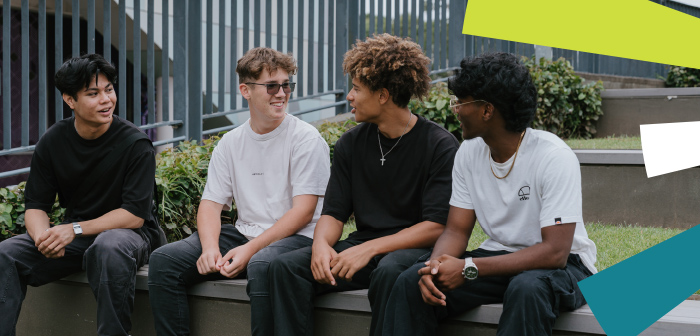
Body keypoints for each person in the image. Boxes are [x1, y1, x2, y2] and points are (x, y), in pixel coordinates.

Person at [382, 52, 598, 336]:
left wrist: (469, 268)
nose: (455, 109)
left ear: (487, 110)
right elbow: (457, 231)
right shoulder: (469, 152)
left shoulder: (553, 157)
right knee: (414, 281)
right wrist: (434, 267)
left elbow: (555, 252)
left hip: (565, 267)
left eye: (461, 102)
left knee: (527, 288)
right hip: (499, 258)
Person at [266, 34, 460, 336]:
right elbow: (333, 213)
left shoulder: (439, 145)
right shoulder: (351, 144)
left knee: (390, 271)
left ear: (383, 95)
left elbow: (436, 226)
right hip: (364, 248)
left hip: (414, 249)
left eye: (356, 89)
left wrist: (369, 249)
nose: (349, 97)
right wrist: (320, 247)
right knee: (285, 268)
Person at [147, 47, 330, 336]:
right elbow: (210, 204)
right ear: (245, 90)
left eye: (287, 85)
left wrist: (250, 249)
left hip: (297, 239)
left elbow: (304, 211)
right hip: (246, 235)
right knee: (164, 261)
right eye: (272, 86)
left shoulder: (306, 139)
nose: (281, 93)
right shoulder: (230, 142)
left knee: (262, 264)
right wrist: (209, 249)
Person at [0, 53, 161, 336]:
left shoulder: (136, 144)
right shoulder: (53, 141)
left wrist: (72, 229)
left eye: (109, 90)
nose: (106, 100)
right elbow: (36, 205)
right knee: (5, 254)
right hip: (79, 238)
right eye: (93, 93)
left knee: (108, 246)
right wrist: (43, 239)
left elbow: (134, 215)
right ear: (70, 100)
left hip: (130, 237)